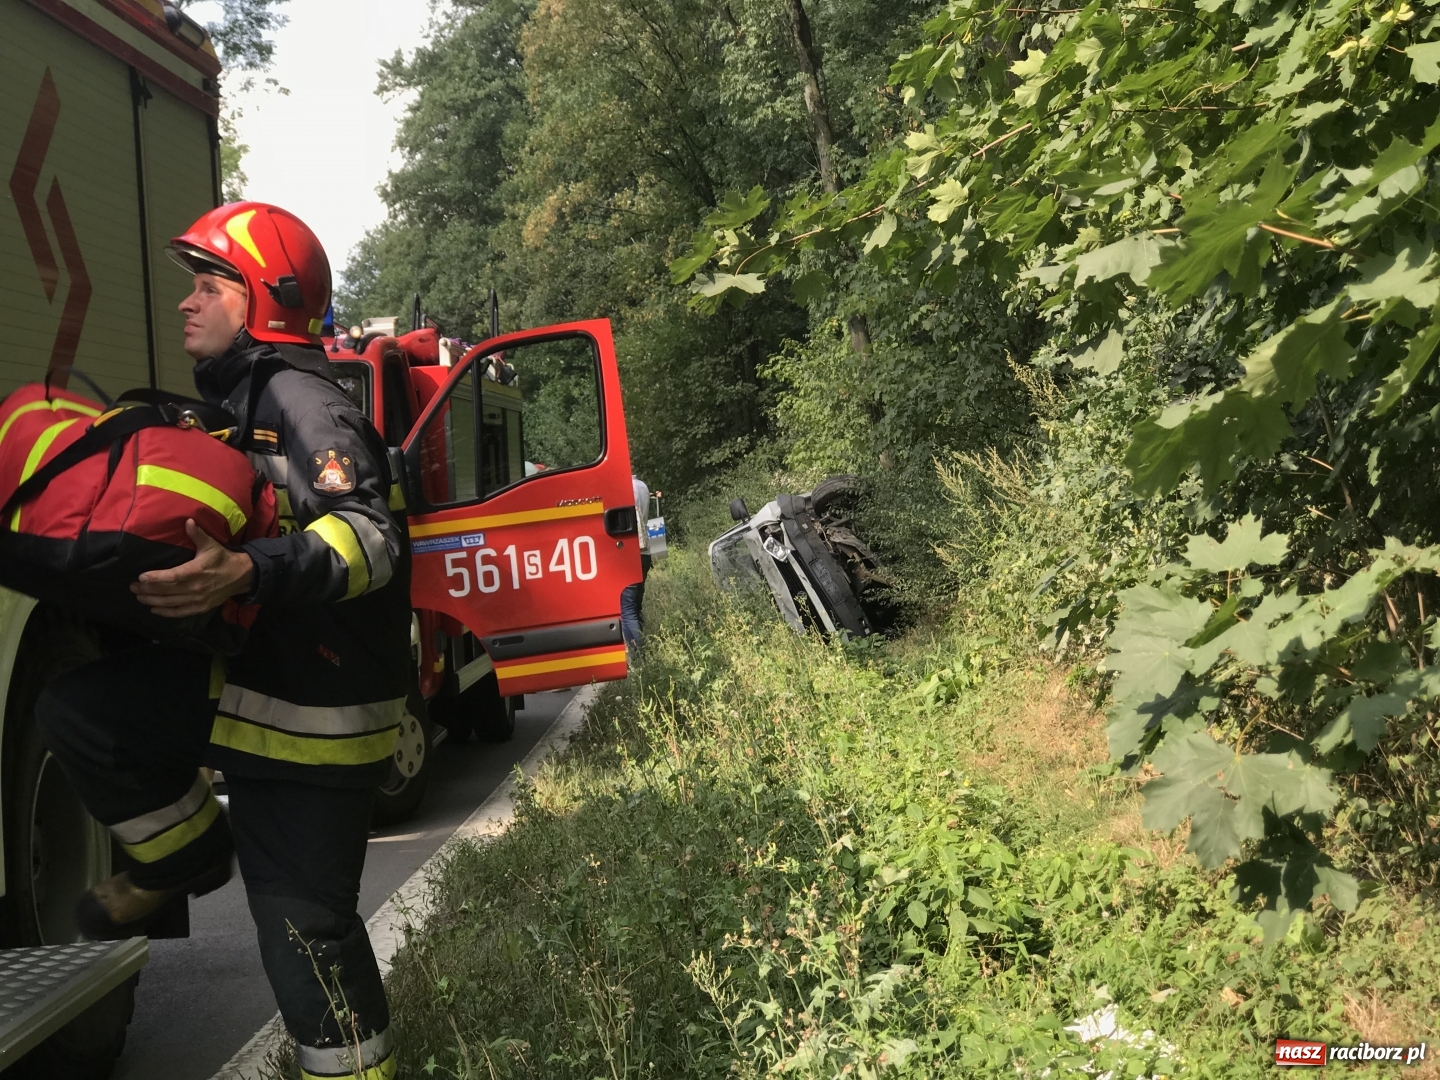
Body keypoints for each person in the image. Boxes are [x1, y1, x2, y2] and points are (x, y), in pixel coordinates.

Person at [35, 203, 407, 1079]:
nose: (186, 302)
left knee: (306, 938)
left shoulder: (304, 402)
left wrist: (246, 572)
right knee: (83, 713)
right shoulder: (244, 401)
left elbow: (372, 538)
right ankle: (187, 853)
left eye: (209, 285)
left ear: (265, 299)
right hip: (256, 686)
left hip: (317, 715)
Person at [620, 473, 652, 653]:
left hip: (630, 554)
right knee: (636, 607)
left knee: (627, 611)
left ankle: (640, 655)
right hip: (645, 553)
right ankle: (646, 648)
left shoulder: (623, 489)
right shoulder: (642, 486)